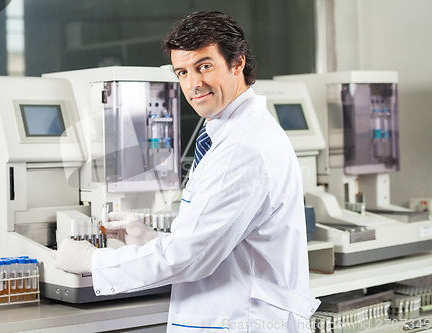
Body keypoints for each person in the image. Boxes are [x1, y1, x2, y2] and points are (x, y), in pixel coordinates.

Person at [54, 11, 320, 332]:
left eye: (204, 66)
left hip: (244, 320)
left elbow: (188, 259)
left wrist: (91, 261)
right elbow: (212, 241)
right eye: (182, 72)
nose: (193, 84)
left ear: (237, 63)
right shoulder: (229, 133)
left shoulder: (242, 147)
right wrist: (149, 239)